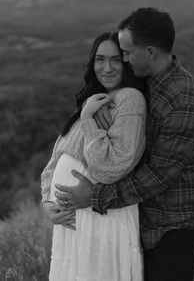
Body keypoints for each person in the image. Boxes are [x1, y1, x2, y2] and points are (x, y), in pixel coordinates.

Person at [55, 8, 194, 281]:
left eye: (126, 53)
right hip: (140, 217)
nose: (123, 60)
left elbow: (157, 176)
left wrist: (92, 197)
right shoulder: (147, 82)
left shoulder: (184, 100)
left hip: (171, 225)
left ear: (150, 52)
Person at [41, 31, 147, 281]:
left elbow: (111, 167)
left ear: (127, 63)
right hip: (72, 222)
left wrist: (89, 120)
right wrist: (48, 204)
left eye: (116, 60)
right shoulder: (91, 102)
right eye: (100, 59)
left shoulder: (130, 100)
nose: (107, 67)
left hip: (102, 218)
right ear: (92, 63)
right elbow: (53, 163)